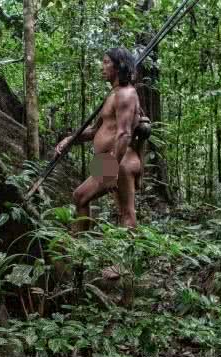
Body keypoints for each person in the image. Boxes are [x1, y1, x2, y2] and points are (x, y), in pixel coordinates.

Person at [56, 47, 143, 230]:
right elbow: (97, 130)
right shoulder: (113, 93)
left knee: (126, 211)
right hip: (107, 160)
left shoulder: (125, 94)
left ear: (119, 66)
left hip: (120, 159)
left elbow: (124, 133)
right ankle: (79, 247)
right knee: (80, 196)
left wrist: (112, 169)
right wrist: (69, 140)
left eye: (106, 62)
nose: (101, 67)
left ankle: (133, 256)